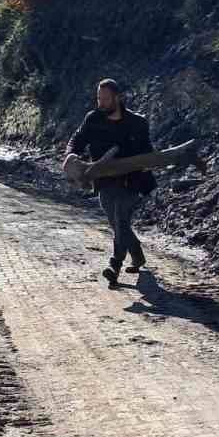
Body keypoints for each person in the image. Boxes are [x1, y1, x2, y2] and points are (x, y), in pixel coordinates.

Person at [67, 79, 155, 288]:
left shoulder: (137, 122)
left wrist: (142, 162)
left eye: (106, 99)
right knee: (117, 223)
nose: (101, 103)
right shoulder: (93, 119)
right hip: (105, 181)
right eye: (99, 98)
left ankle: (114, 265)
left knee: (121, 217)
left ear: (118, 98)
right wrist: (70, 155)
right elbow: (77, 139)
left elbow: (148, 152)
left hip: (134, 181)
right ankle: (138, 255)